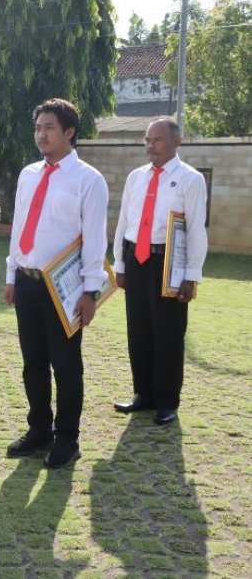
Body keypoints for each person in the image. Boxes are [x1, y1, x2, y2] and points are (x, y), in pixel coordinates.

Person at [3, 98, 108, 468]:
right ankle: (39, 431)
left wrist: (92, 292)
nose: (41, 134)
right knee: (32, 362)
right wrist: (11, 273)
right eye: (37, 128)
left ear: (69, 131)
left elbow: (95, 241)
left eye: (49, 127)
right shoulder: (29, 174)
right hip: (27, 282)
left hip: (64, 289)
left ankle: (67, 438)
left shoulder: (88, 180)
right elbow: (19, 227)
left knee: (65, 366)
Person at [112, 118, 208, 425]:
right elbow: (123, 222)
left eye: (158, 139)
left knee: (167, 333)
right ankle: (144, 394)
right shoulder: (136, 177)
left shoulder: (190, 179)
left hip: (168, 263)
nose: (150, 145)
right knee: (138, 330)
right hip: (136, 258)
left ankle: (167, 401)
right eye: (147, 139)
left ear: (177, 142)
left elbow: (195, 230)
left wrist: (191, 276)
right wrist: (120, 263)